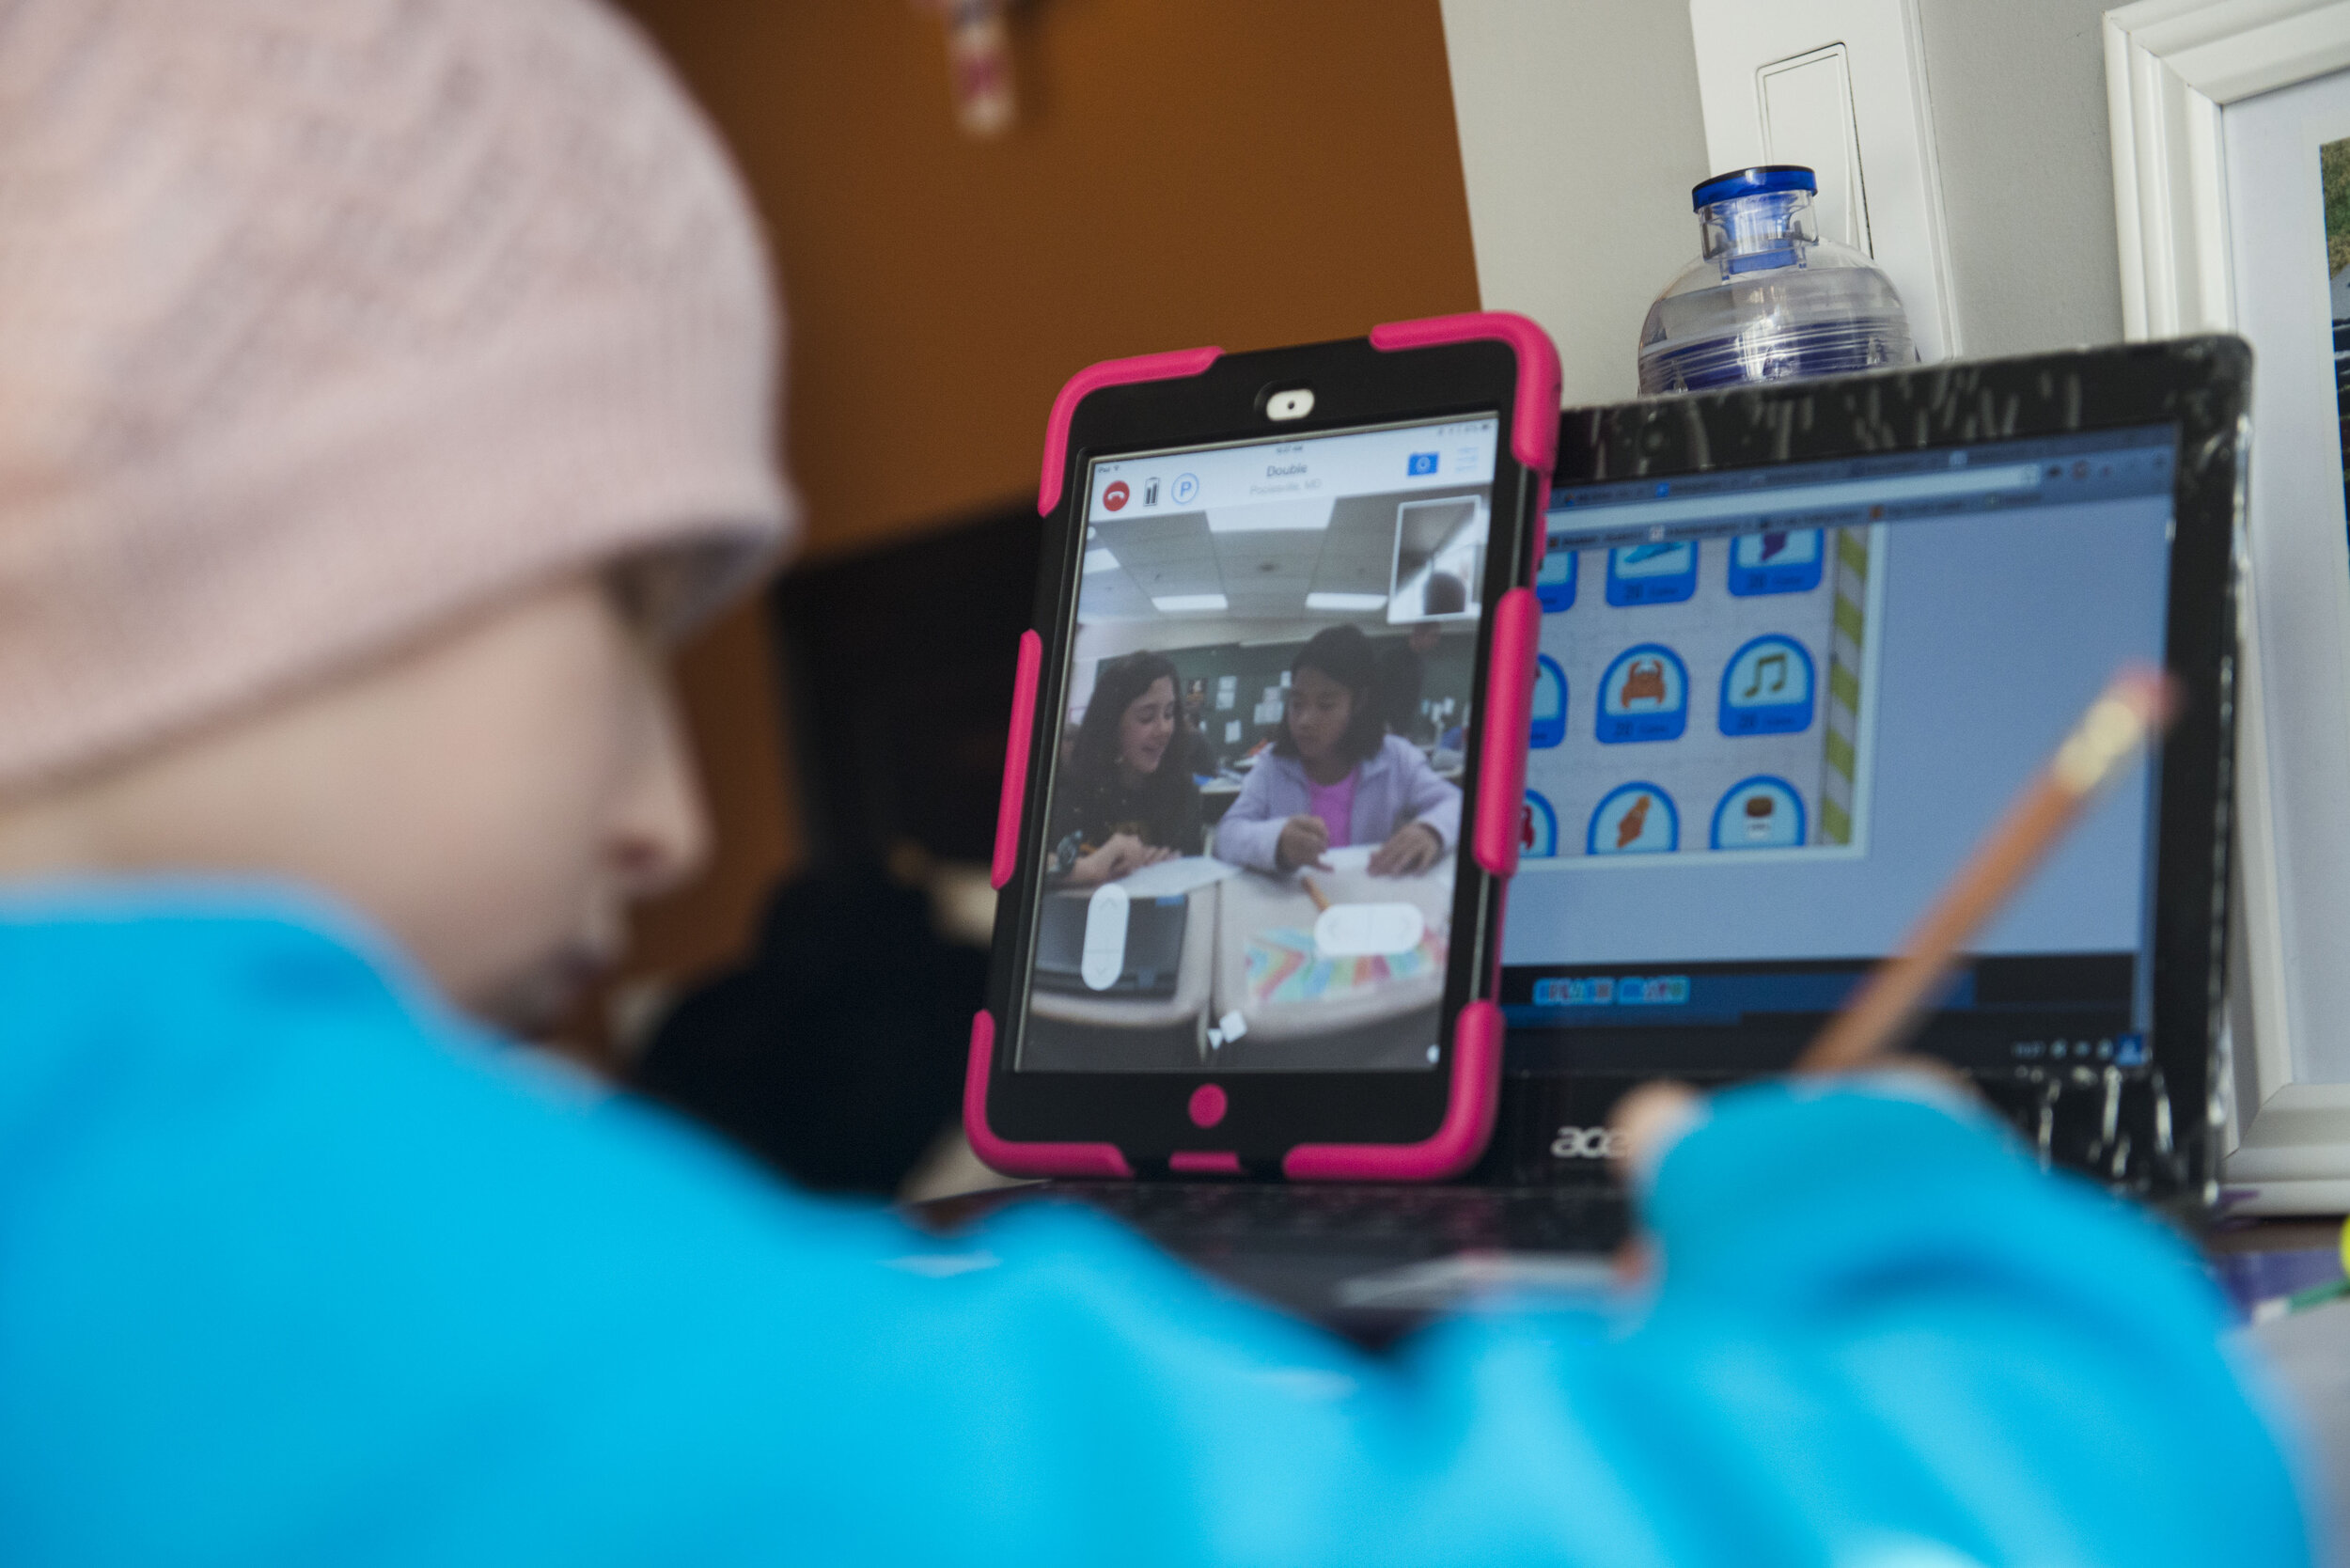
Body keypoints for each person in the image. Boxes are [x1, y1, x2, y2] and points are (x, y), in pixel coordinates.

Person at [0, 3, 2312, 1564]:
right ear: (297, 543)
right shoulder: (287, 1262)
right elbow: (2044, 1509)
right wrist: (1886, 1196)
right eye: (625, 606)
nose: (665, 818)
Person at [1215, 624, 1463, 876]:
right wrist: (1277, 841)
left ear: (1359, 703)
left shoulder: (1396, 758)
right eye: (1297, 703)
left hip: (1371, 903)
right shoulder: (1273, 764)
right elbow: (1226, 836)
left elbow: (1456, 802)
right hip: (1293, 902)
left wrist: (1431, 830)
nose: (1304, 721)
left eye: (1325, 705)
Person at [1045, 651, 1203, 886]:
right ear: (1111, 724)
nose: (1164, 729)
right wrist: (1088, 867)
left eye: (1169, 713)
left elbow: (1191, 867)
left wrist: (1175, 864)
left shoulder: (1182, 793)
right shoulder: (1070, 791)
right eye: (1146, 717)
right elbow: (1025, 858)